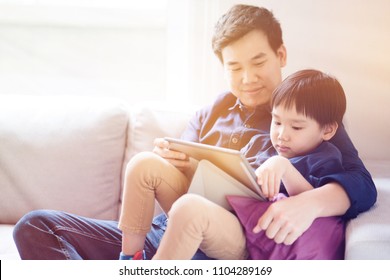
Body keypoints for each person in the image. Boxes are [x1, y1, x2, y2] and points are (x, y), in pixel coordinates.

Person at [13, 4, 376, 260]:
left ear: (280, 54)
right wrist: (173, 162)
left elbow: (362, 184)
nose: (247, 78)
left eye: (258, 62)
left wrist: (308, 202)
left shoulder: (305, 118)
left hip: (215, 241)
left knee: (191, 216)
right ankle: (134, 263)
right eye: (235, 67)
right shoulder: (212, 111)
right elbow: (172, 181)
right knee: (36, 227)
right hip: (161, 231)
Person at [152, 69, 347, 260]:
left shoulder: (327, 158)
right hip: (225, 222)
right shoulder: (264, 146)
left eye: (296, 127)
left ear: (328, 130)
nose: (281, 135)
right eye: (277, 122)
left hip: (257, 244)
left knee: (189, 211)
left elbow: (310, 202)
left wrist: (285, 168)